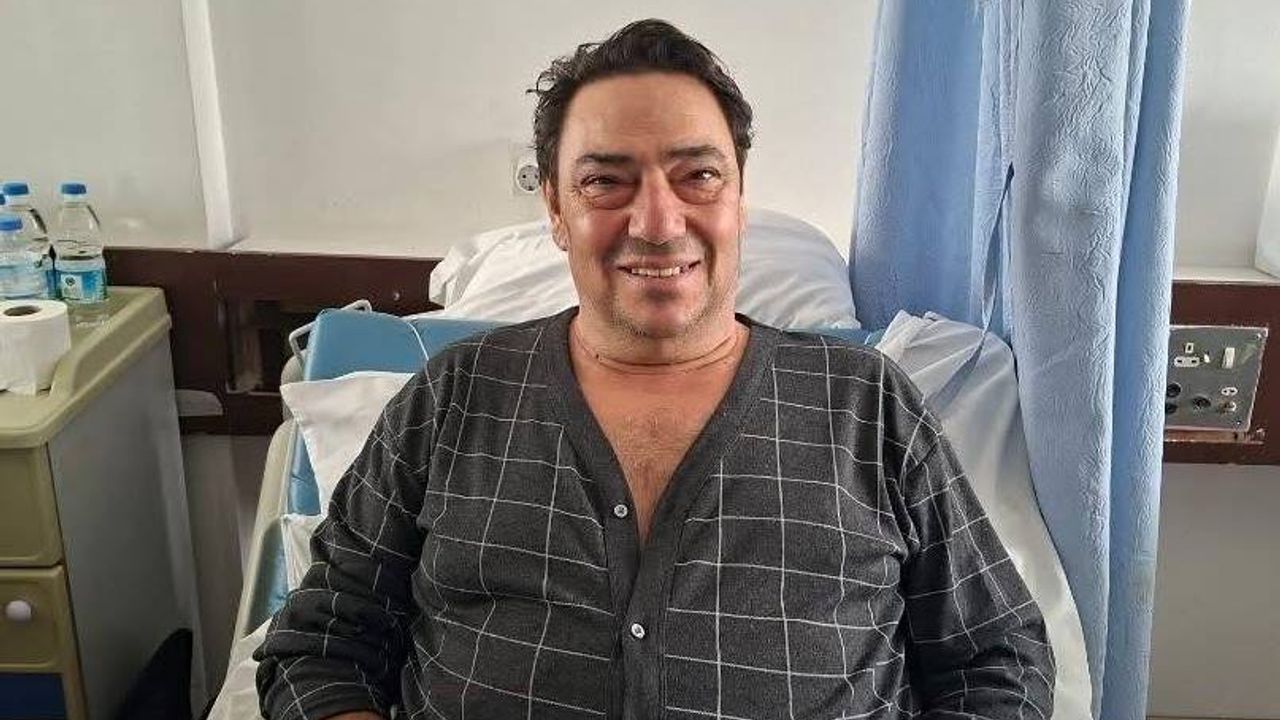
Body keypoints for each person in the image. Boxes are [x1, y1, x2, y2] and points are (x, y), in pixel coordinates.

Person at [256, 19, 1055, 720]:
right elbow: (319, 647)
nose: (658, 221)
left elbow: (999, 659)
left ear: (738, 199)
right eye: (607, 181)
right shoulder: (455, 397)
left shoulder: (866, 405)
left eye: (697, 175)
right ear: (557, 211)